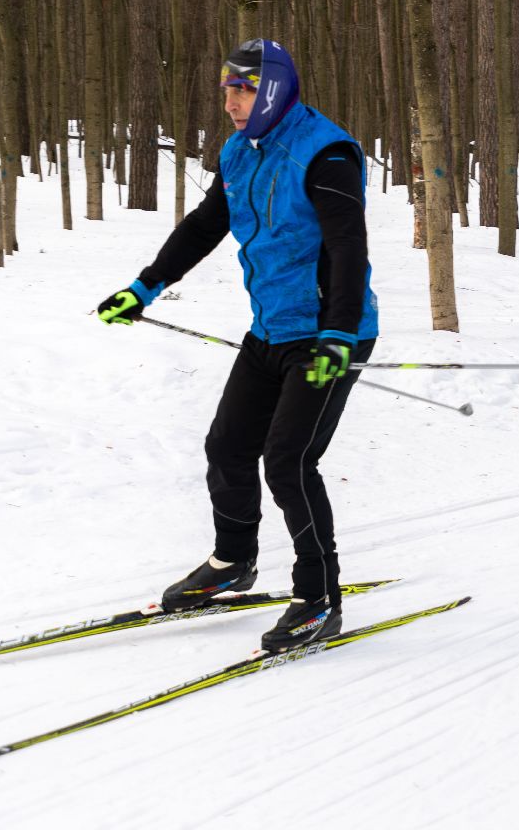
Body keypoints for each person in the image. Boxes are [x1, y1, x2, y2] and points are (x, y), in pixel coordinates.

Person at [95, 39, 379, 652]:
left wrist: (338, 332)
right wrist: (144, 287)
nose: (230, 102)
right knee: (227, 447)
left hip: (330, 333)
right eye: (226, 90)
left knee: (289, 462)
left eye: (243, 90)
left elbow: (347, 248)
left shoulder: (326, 152)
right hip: (271, 329)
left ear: (273, 90)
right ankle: (232, 561)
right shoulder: (238, 152)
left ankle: (319, 599)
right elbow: (205, 225)